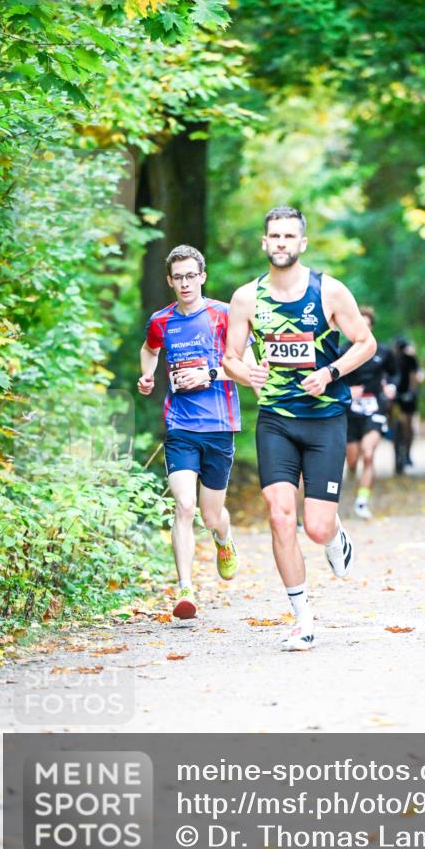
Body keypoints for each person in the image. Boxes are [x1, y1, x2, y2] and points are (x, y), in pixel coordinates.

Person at [224, 206, 377, 651]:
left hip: (325, 419)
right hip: (276, 420)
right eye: (275, 236)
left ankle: (333, 535)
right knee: (278, 515)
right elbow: (232, 357)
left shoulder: (329, 291)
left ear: (302, 243)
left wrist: (329, 373)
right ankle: (302, 617)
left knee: (315, 526)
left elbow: (366, 343)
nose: (282, 243)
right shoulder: (246, 298)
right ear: (264, 242)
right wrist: (244, 374)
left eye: (290, 236)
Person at [138, 245, 248, 621]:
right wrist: (149, 374)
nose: (185, 283)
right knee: (184, 506)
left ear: (202, 276)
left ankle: (222, 538)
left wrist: (210, 374)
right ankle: (185, 589)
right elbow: (149, 349)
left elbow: (246, 366)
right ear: (170, 281)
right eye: (178, 277)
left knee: (210, 514)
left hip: (219, 425)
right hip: (180, 425)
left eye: (191, 275)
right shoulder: (162, 320)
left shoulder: (223, 316)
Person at [340, 306, 397, 519]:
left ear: (371, 327)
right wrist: (347, 391)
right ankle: (352, 472)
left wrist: (391, 386)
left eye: (367, 324)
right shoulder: (342, 351)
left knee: (369, 453)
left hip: (375, 408)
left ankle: (362, 502)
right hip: (350, 412)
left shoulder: (383, 351)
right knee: (352, 459)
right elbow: (330, 380)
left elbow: (395, 374)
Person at [392, 337, 424, 473]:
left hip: (406, 397)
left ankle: (407, 453)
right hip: (395, 396)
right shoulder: (393, 359)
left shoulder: (410, 359)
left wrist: (411, 392)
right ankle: (402, 453)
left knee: (407, 425)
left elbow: (413, 377)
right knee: (399, 425)